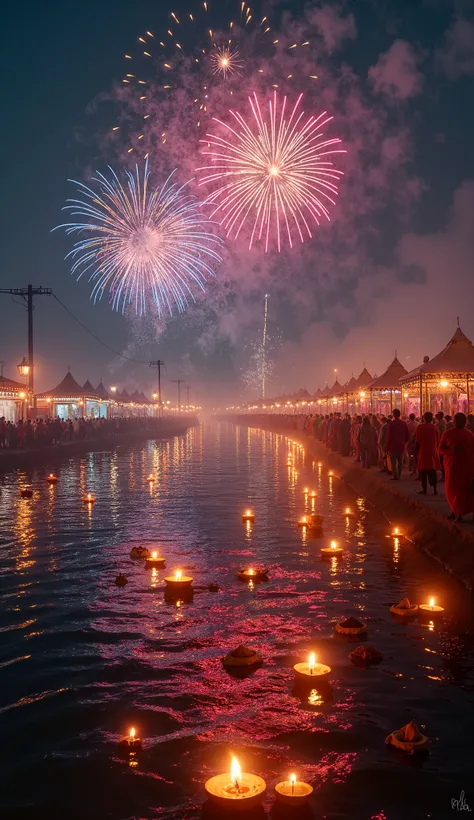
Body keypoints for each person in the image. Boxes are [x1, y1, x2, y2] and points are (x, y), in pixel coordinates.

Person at [438, 412, 474, 521]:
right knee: (454, 490)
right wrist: (453, 451)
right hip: (453, 467)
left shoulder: (470, 435)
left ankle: (458, 512)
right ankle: (455, 511)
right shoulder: (448, 434)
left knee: (463, 491)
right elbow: (440, 449)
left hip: (464, 467)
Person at [415, 411, 440, 495]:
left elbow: (417, 441)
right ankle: (435, 489)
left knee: (424, 471)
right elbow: (438, 439)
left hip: (423, 451)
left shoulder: (420, 427)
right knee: (433, 470)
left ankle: (424, 489)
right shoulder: (435, 427)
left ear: (424, 418)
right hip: (433, 451)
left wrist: (416, 450)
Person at [386, 408, 409, 480]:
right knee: (400, 461)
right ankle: (399, 475)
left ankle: (395, 475)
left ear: (393, 415)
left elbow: (389, 436)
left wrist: (387, 446)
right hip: (401, 445)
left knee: (393, 462)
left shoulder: (391, 424)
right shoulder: (404, 423)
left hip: (393, 445)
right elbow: (407, 435)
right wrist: (404, 442)